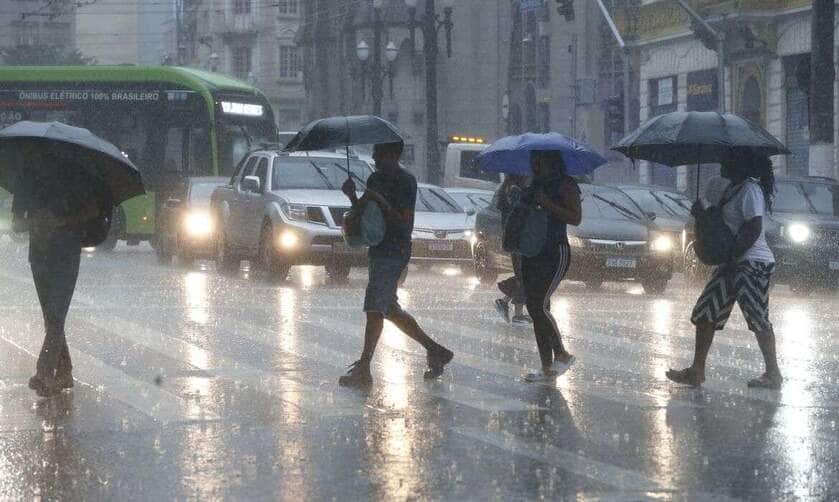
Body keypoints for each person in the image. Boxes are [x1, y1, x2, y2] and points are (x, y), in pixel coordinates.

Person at [338, 141, 454, 388]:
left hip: (395, 250)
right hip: (378, 249)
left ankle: (364, 367)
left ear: (392, 155)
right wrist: (352, 197)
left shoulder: (405, 181)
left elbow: (403, 222)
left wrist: (379, 200)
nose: (374, 157)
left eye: (378, 153)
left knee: (374, 307)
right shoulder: (374, 179)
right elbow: (365, 214)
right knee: (387, 308)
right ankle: (435, 350)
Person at [666, 150, 782, 389]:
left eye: (726, 160)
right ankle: (697, 371)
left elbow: (754, 227)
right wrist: (701, 214)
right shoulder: (733, 189)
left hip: (752, 264)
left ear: (739, 163)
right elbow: (722, 225)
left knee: (757, 316)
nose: (721, 164)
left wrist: (733, 256)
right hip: (732, 263)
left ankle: (773, 374)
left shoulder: (750, 189)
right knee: (706, 312)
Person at [12, 146, 102, 397]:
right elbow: (17, 224)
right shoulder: (28, 179)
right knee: (53, 317)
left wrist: (61, 221)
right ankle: (64, 372)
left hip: (64, 255)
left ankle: (44, 372)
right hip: (43, 256)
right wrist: (38, 220)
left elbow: (93, 210)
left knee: (54, 316)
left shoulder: (74, 177)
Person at [520, 150, 582, 382]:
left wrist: (546, 204)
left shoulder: (566, 185)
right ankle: (546, 367)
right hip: (531, 251)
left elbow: (576, 217)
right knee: (537, 308)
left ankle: (562, 354)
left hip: (555, 251)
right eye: (534, 160)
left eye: (541, 160)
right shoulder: (533, 184)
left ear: (553, 162)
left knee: (537, 305)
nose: (537, 164)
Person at [493, 175, 532, 324]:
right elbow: (520, 215)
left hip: (515, 240)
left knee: (524, 275)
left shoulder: (507, 190)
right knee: (525, 276)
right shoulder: (515, 192)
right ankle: (518, 313)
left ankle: (505, 301)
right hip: (520, 240)